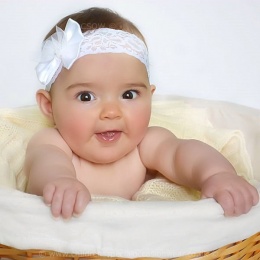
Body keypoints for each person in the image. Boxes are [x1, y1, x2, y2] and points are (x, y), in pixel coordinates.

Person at [24, 7, 259, 219]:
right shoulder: (53, 143)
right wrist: (60, 181)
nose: (111, 112)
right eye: (86, 96)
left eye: (129, 95)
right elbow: (46, 164)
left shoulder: (144, 143)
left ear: (150, 95)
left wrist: (216, 175)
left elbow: (181, 154)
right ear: (49, 106)